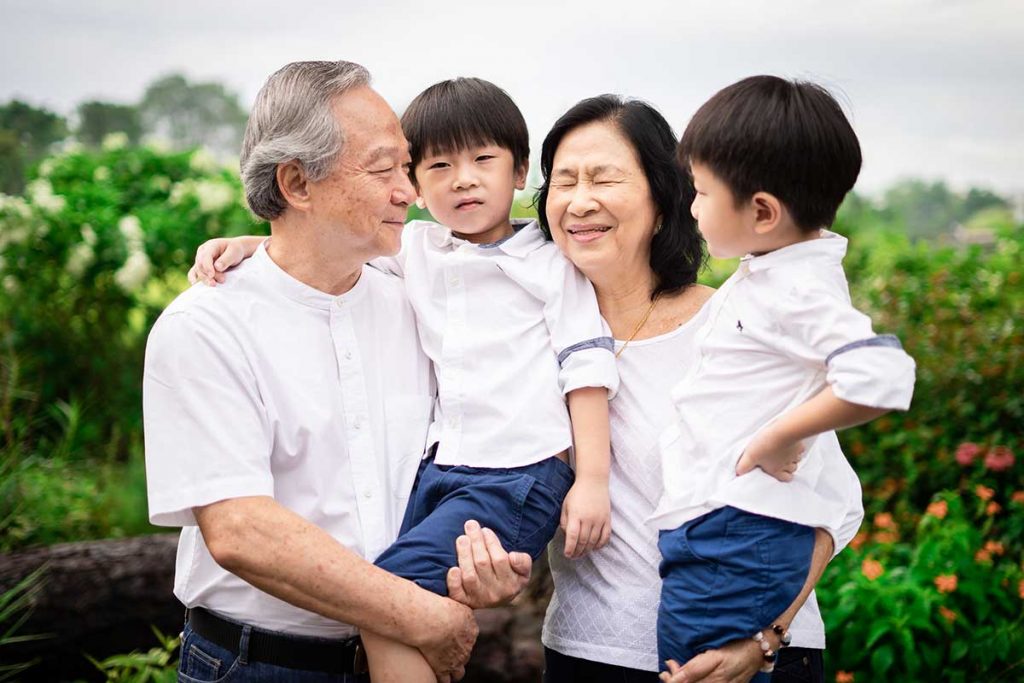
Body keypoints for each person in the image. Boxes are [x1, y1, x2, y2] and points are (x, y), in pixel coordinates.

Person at [191, 91, 864, 683]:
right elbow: (354, 260)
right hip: (588, 652)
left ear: (666, 194)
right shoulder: (515, 317)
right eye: (564, 180)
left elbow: (831, 506)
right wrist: (260, 247)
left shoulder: (741, 324)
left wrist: (763, 638)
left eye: (603, 178)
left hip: (737, 657)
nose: (579, 200)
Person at [185, 76, 618, 683]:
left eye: (483, 160)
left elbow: (586, 366)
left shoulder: (549, 261)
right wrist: (250, 244)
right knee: (401, 602)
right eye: (433, 165)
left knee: (394, 594)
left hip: (519, 470)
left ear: (520, 171)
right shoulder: (415, 252)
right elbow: (309, 248)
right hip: (439, 477)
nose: (462, 178)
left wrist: (592, 477)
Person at [650, 76, 916, 680]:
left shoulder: (796, 288)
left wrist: (782, 435)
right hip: (723, 530)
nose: (691, 208)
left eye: (701, 192)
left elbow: (881, 373)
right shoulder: (772, 274)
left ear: (763, 211)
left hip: (738, 534)